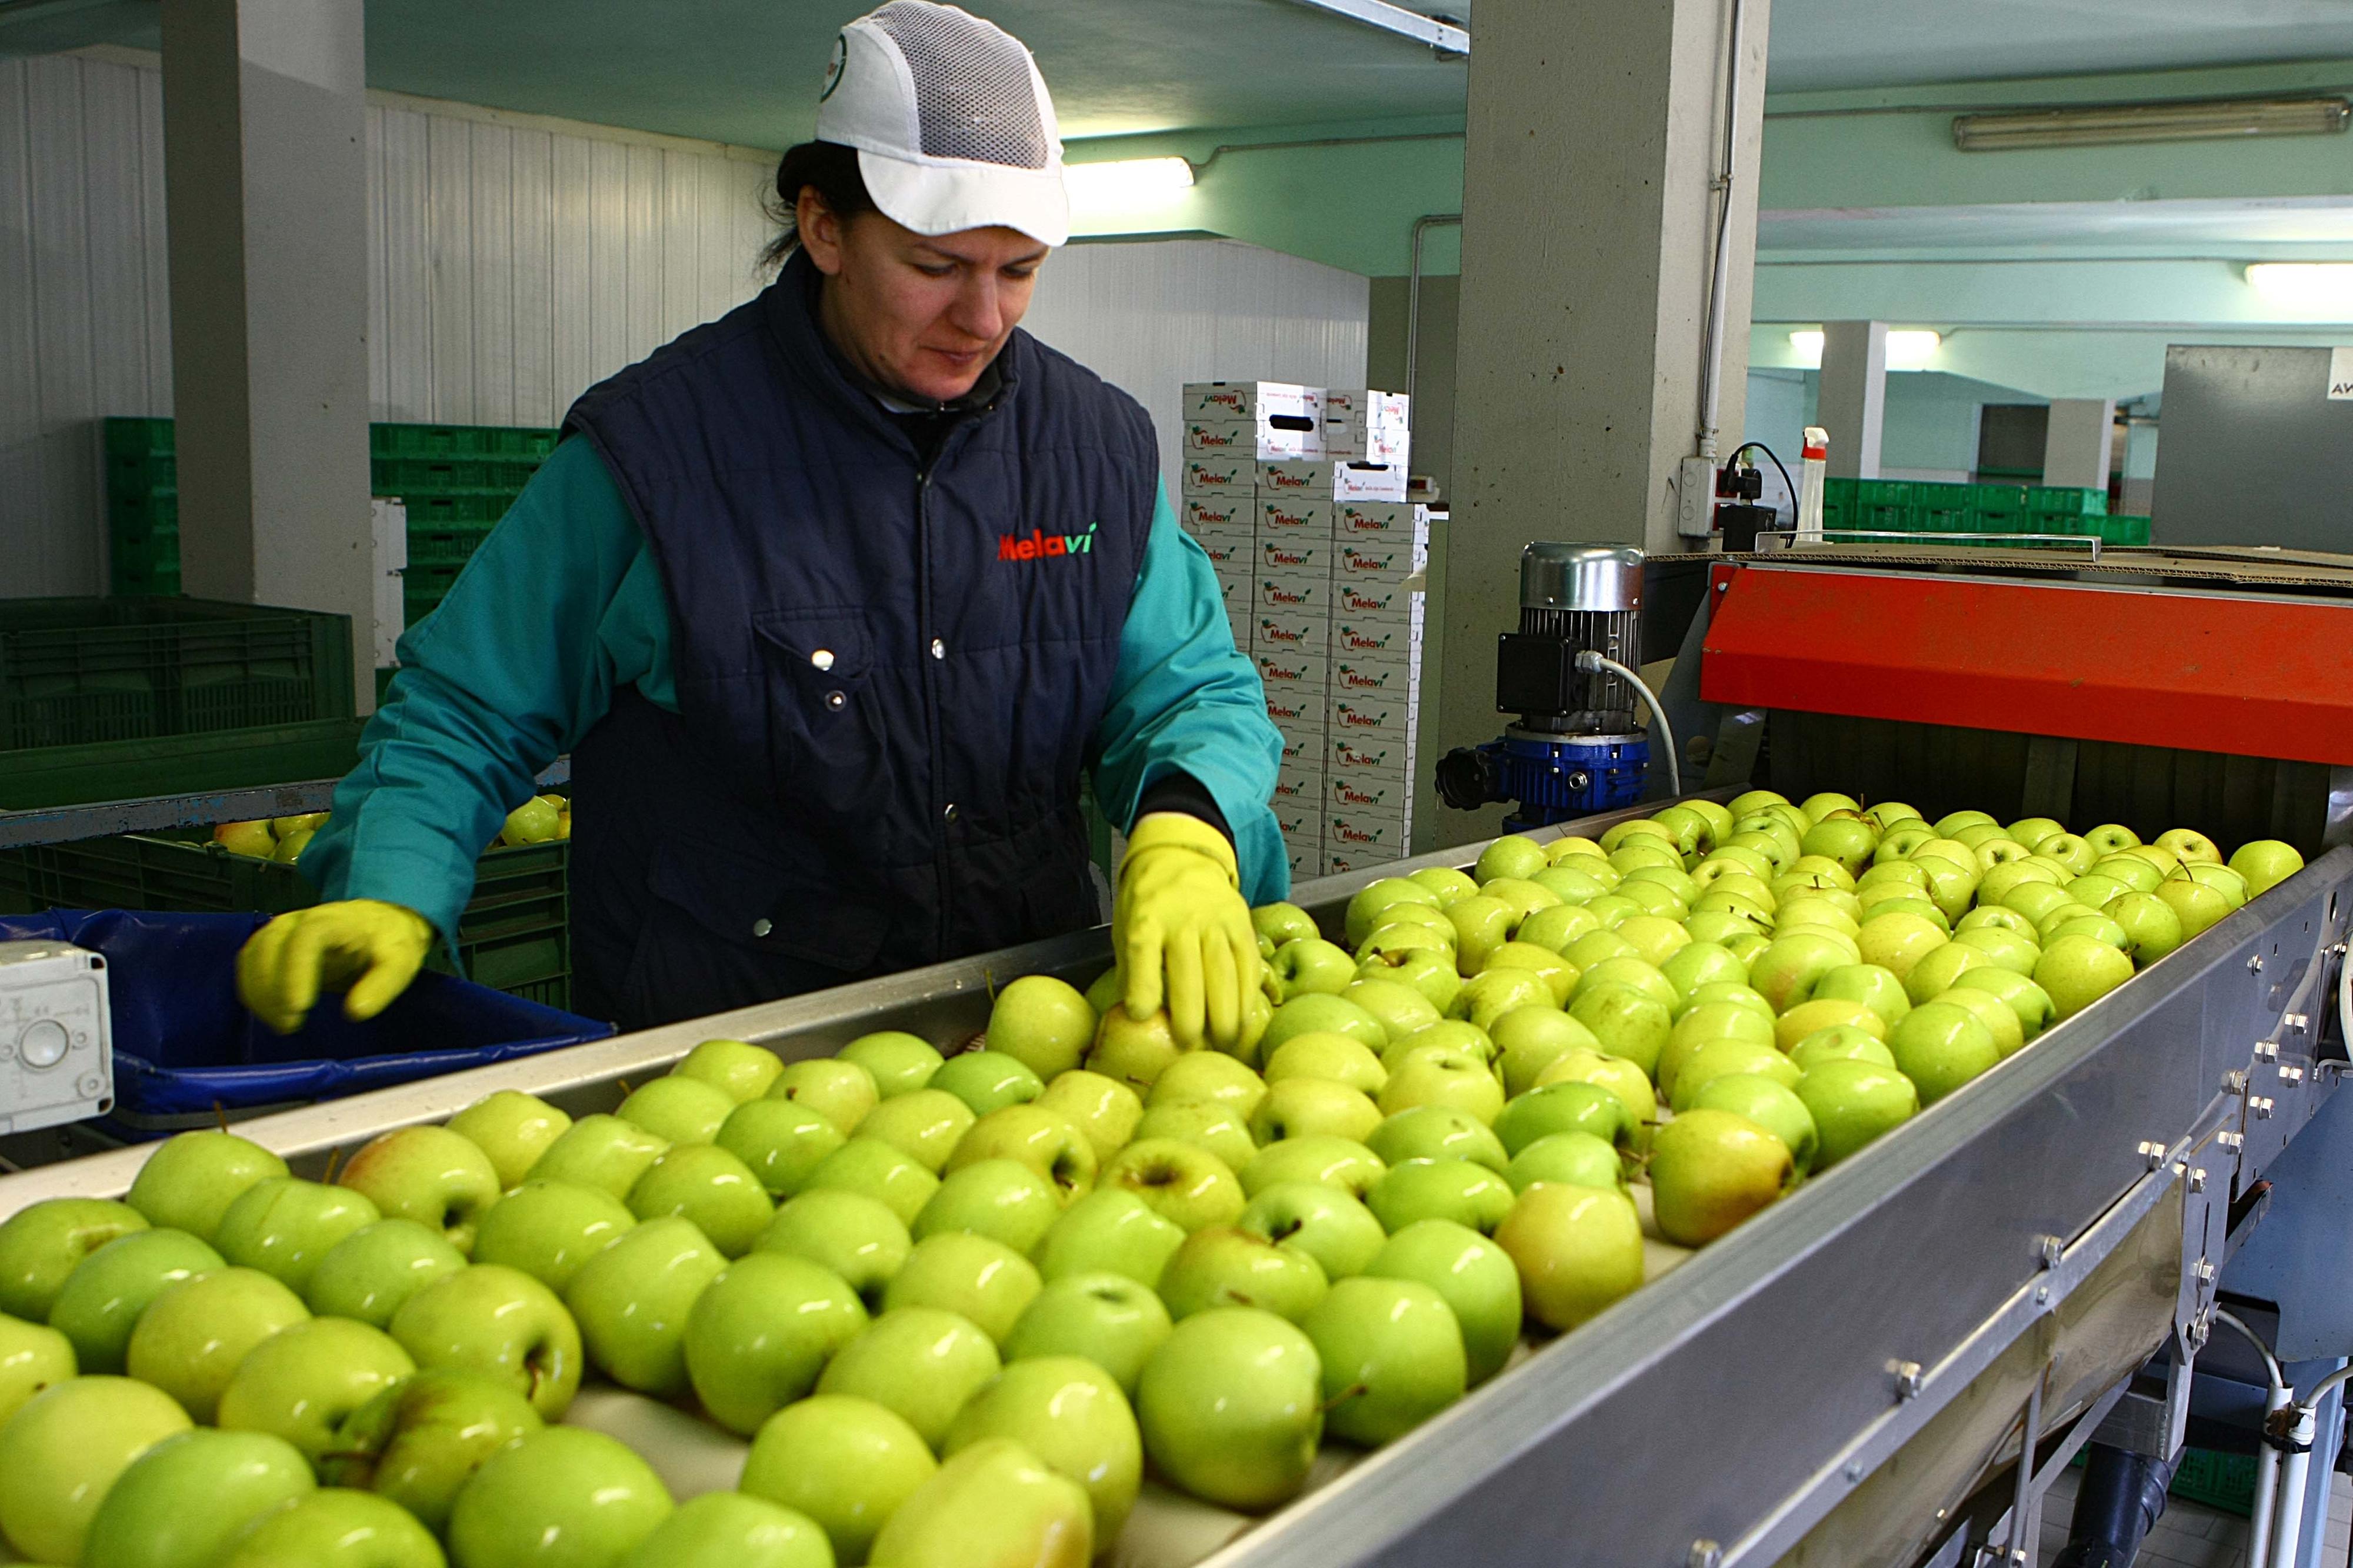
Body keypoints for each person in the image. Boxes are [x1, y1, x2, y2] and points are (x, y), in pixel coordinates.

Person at [235, 0, 1285, 1048]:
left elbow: (1188, 686)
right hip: (731, 1068)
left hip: (1019, 1044)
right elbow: (467, 706)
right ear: (825, 226)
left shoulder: (1091, 448)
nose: (985, 319)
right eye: (936, 269)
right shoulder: (658, 453)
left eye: (1019, 271)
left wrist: (1189, 826)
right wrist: (388, 881)